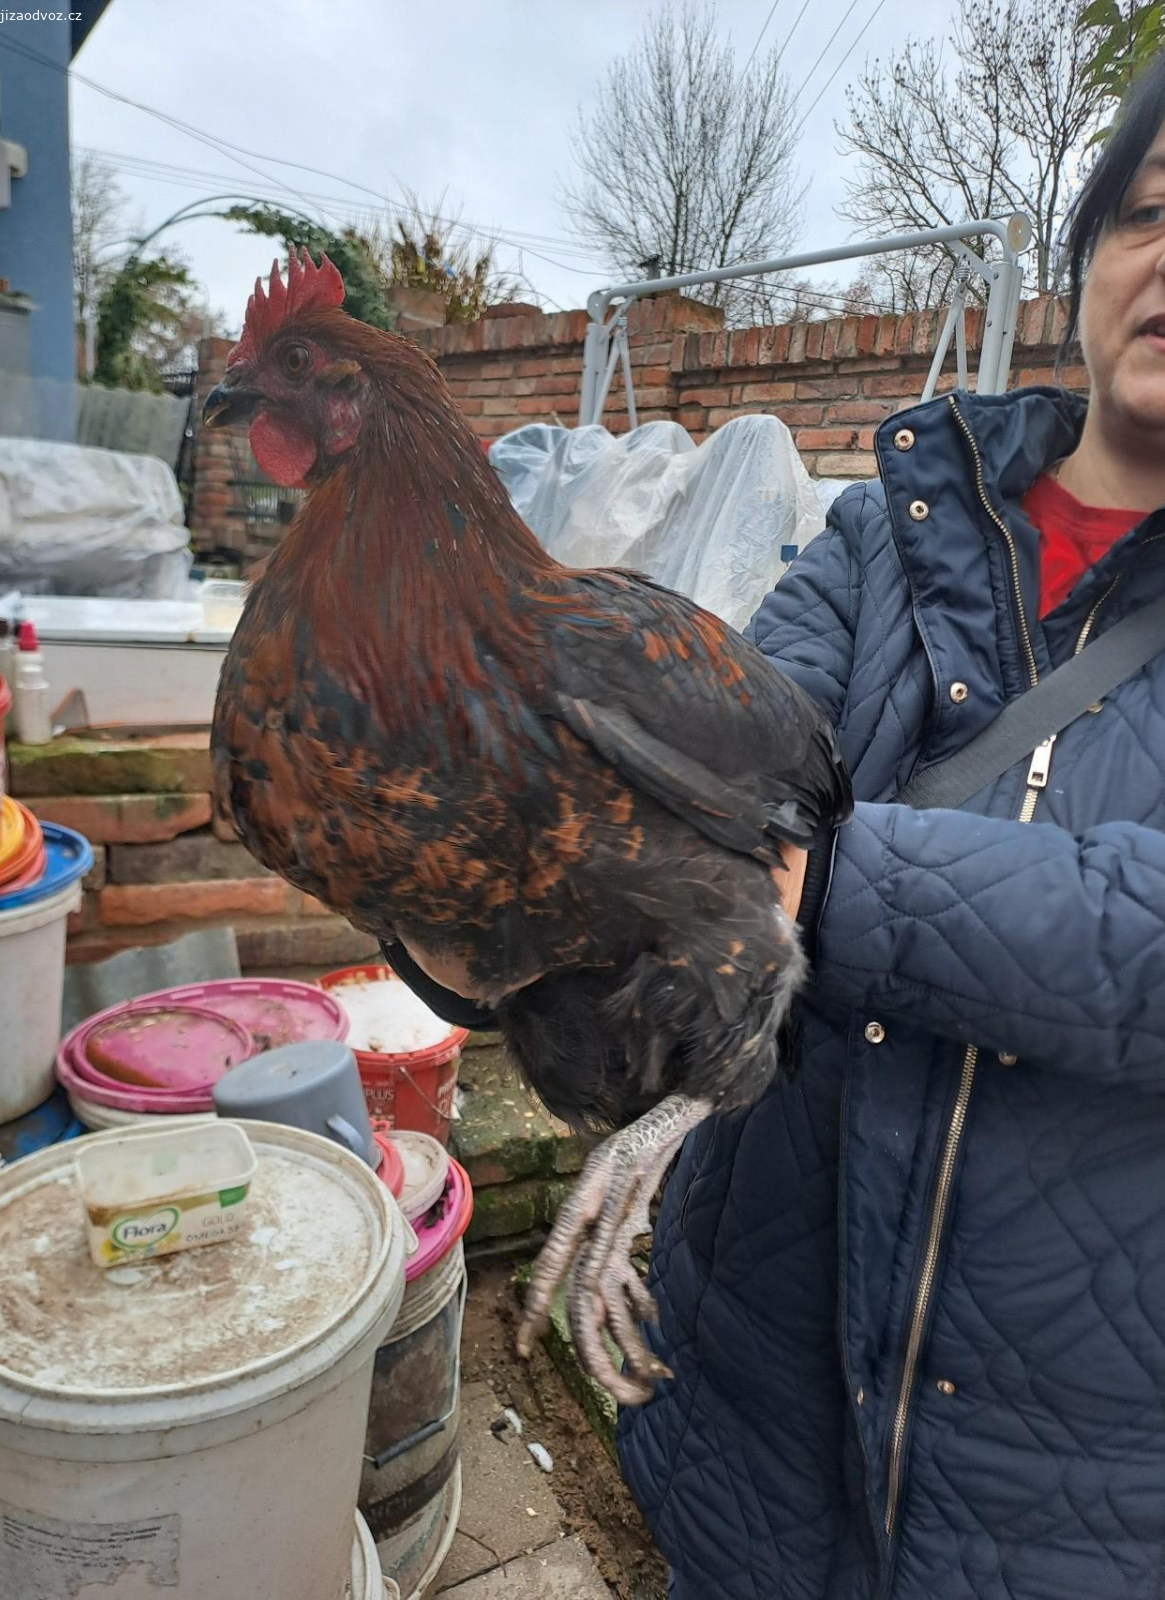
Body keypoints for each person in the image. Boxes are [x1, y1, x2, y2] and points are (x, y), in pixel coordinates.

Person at [616, 50, 1165, 1600]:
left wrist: (831, 882)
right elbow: (715, 771)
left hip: (1072, 1473)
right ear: (1082, 264)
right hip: (760, 1393)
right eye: (1147, 212)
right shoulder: (887, 525)